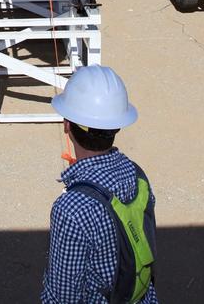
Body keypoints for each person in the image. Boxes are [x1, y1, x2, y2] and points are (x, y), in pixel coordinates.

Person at [44, 66, 156, 304]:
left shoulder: (71, 209)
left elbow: (63, 296)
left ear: (67, 125)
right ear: (116, 126)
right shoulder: (137, 175)